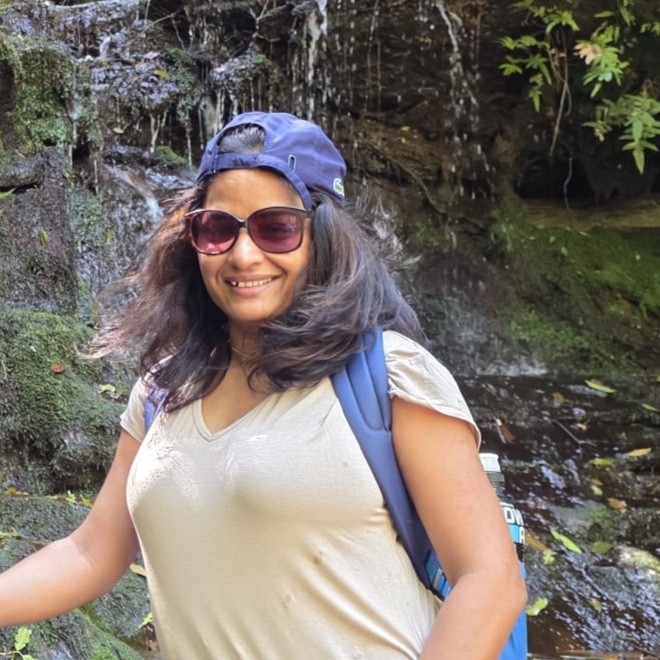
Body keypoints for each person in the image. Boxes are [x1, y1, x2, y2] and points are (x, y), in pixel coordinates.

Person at [0, 111, 526, 658]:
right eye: (217, 228)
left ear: (324, 235)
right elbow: (90, 555)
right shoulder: (162, 391)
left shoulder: (390, 376)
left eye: (276, 227)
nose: (244, 254)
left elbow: (490, 580)